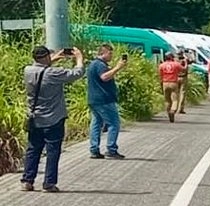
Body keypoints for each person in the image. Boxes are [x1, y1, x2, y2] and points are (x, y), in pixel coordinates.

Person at [21, 45, 86, 192]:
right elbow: (77, 73)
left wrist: (56, 57)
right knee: (52, 152)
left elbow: (41, 69)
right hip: (53, 119)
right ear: (46, 57)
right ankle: (49, 183)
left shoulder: (28, 71)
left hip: (35, 118)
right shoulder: (54, 73)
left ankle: (27, 180)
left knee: (33, 150)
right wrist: (79, 58)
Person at [87, 43, 129, 160]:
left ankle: (94, 149)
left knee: (96, 123)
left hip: (94, 99)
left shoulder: (93, 64)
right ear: (102, 53)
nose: (111, 55)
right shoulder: (100, 65)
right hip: (104, 99)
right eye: (109, 53)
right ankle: (111, 149)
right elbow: (104, 77)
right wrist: (118, 68)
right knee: (114, 123)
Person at [158, 53, 185, 123]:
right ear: (172, 57)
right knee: (175, 100)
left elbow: (160, 76)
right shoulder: (176, 64)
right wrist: (186, 63)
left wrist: (161, 85)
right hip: (173, 82)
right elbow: (183, 70)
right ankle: (172, 111)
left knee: (167, 100)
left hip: (165, 83)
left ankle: (168, 112)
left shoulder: (161, 65)